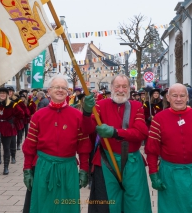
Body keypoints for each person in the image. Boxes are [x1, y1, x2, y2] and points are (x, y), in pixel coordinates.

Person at [82, 74, 152, 213]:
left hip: (131, 163)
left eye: (124, 86)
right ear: (111, 88)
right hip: (106, 160)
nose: (121, 89)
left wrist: (116, 133)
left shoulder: (136, 106)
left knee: (136, 203)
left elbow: (141, 133)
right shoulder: (100, 105)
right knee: (107, 204)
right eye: (117, 86)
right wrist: (86, 112)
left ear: (129, 89)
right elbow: (87, 130)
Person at [22, 75, 92, 213]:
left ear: (68, 91)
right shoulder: (38, 115)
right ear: (49, 91)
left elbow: (83, 145)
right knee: (43, 207)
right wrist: (27, 169)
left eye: (63, 88)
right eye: (56, 87)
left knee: (67, 207)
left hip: (68, 169)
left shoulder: (77, 115)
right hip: (44, 168)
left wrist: (84, 169)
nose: (60, 90)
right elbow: (30, 145)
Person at [145, 83, 192, 213]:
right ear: (168, 98)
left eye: (182, 96)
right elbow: (151, 150)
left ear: (187, 97)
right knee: (170, 208)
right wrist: (153, 174)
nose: (178, 99)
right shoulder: (159, 118)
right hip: (169, 174)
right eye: (174, 95)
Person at [0, 87, 24, 174]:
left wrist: (13, 121)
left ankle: (6, 167)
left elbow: (21, 114)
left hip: (8, 127)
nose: (2, 95)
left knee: (7, 148)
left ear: (7, 95)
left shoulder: (12, 104)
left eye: (4, 93)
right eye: (1, 93)